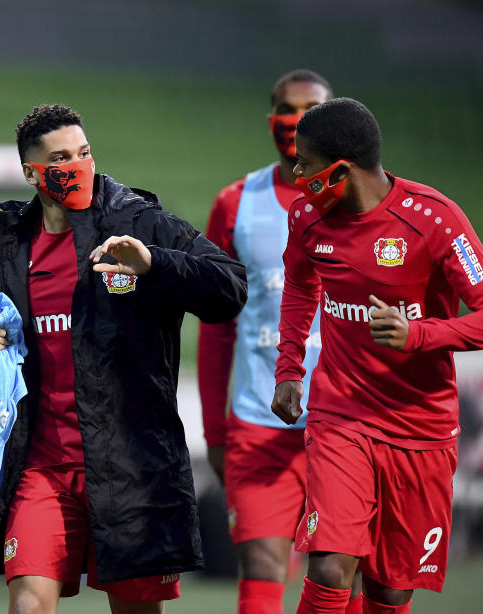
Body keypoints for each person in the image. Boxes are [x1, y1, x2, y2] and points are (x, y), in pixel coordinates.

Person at [0, 104, 247, 613]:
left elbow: (230, 288)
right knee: (27, 605)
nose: (77, 166)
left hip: (132, 467)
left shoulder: (139, 221)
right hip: (43, 467)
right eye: (60, 158)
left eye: (84, 153)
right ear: (32, 173)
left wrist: (156, 263)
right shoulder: (8, 241)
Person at [272, 97, 483, 614]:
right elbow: (300, 289)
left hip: (421, 431)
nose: (296, 172)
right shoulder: (306, 217)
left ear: (340, 169)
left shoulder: (436, 220)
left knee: (389, 590)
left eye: (306, 162)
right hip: (341, 415)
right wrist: (289, 368)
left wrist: (419, 335)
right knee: (329, 566)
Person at [197, 69, 351, 614]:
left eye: (311, 110)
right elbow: (217, 327)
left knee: (339, 576)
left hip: (348, 428)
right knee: (262, 567)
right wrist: (215, 432)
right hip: (258, 426)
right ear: (270, 121)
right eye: (286, 109)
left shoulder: (367, 205)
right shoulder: (236, 204)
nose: (297, 120)